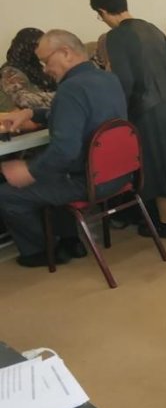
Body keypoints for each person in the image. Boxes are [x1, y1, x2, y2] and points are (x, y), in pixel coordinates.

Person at [0, 30, 126, 267]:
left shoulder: (70, 90)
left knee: (8, 195)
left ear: (66, 53)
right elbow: (80, 116)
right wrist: (30, 112)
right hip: (118, 174)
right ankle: (70, 240)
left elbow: (64, 152)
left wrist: (29, 171)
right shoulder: (108, 79)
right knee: (51, 173)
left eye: (46, 61)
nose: (45, 68)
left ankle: (42, 251)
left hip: (87, 181)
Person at [90, 0, 166, 237]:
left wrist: (117, 108)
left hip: (150, 109)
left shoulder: (116, 37)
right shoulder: (152, 28)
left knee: (158, 165)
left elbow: (124, 80)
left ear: (103, 11)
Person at [1, 28, 56, 112]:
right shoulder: (9, 71)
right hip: (20, 119)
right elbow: (23, 100)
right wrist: (61, 97)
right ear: (27, 48)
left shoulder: (37, 68)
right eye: (38, 46)